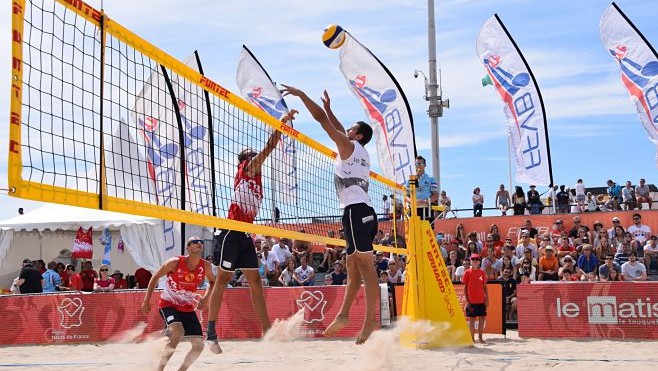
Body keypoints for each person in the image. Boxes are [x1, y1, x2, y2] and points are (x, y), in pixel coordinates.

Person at [282, 85, 379, 344]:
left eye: (349, 129)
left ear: (356, 135)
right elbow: (333, 124)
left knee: (367, 271)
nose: (345, 131)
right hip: (361, 212)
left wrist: (303, 95)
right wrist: (329, 108)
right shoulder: (360, 151)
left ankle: (370, 322)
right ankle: (345, 314)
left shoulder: (349, 147)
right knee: (353, 266)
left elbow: (323, 123)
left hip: (355, 213)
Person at [206, 111, 297, 352]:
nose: (258, 158)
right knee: (223, 281)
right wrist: (281, 124)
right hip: (230, 232)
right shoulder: (248, 168)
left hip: (245, 234)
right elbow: (268, 148)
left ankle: (267, 332)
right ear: (245, 160)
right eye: (253, 155)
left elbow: (266, 151)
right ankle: (211, 333)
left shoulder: (256, 180)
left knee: (256, 282)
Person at [141, 236, 215, 371]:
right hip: (168, 303)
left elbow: (212, 282)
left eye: (201, 242)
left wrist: (206, 298)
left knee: (199, 346)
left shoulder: (205, 265)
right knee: (178, 333)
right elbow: (155, 277)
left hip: (187, 307)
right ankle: (159, 369)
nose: (199, 244)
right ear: (188, 247)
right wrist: (146, 301)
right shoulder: (174, 262)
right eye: (195, 242)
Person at [463, 254, 488, 344]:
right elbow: (465, 288)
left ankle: (480, 338)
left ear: (479, 261)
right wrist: (467, 300)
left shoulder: (482, 273)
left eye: (477, 259)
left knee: (482, 319)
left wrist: (487, 299)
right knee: (472, 321)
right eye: (473, 259)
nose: (475, 260)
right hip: (472, 301)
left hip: (481, 300)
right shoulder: (467, 272)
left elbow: (485, 287)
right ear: (470, 261)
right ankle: (472, 339)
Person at [405, 155, 438, 220]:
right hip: (413, 209)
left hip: (426, 209)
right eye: (416, 164)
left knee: (428, 229)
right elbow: (406, 196)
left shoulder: (431, 179)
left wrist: (427, 201)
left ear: (425, 165)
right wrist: (413, 201)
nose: (418, 166)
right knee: (413, 230)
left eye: (420, 164)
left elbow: (436, 195)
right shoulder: (410, 179)